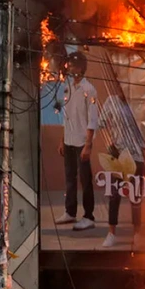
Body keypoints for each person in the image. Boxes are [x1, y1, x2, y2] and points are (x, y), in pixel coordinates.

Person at [55, 51, 98, 232]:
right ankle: (70, 211)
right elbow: (67, 117)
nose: (70, 68)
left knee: (85, 180)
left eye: (73, 65)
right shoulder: (69, 87)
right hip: (70, 141)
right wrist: (62, 139)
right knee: (70, 179)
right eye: (69, 65)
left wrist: (88, 145)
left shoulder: (89, 90)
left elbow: (92, 119)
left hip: (82, 142)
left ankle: (89, 216)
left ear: (81, 67)